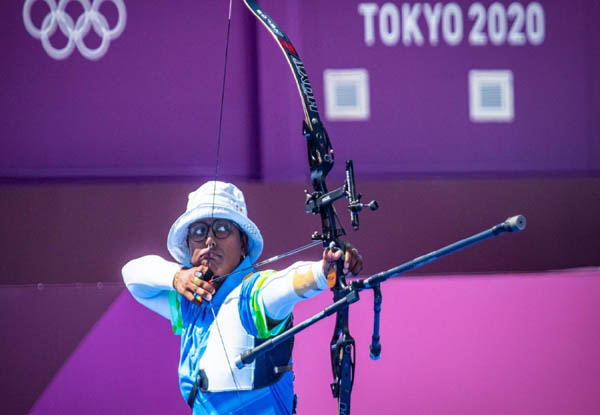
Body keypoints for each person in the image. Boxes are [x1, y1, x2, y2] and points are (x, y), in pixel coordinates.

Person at [122, 181, 363, 415]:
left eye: (223, 229)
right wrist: (176, 276)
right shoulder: (191, 304)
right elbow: (132, 275)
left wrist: (323, 271)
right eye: (198, 231)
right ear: (188, 246)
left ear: (243, 243)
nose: (209, 241)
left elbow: (285, 284)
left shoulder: (254, 297)